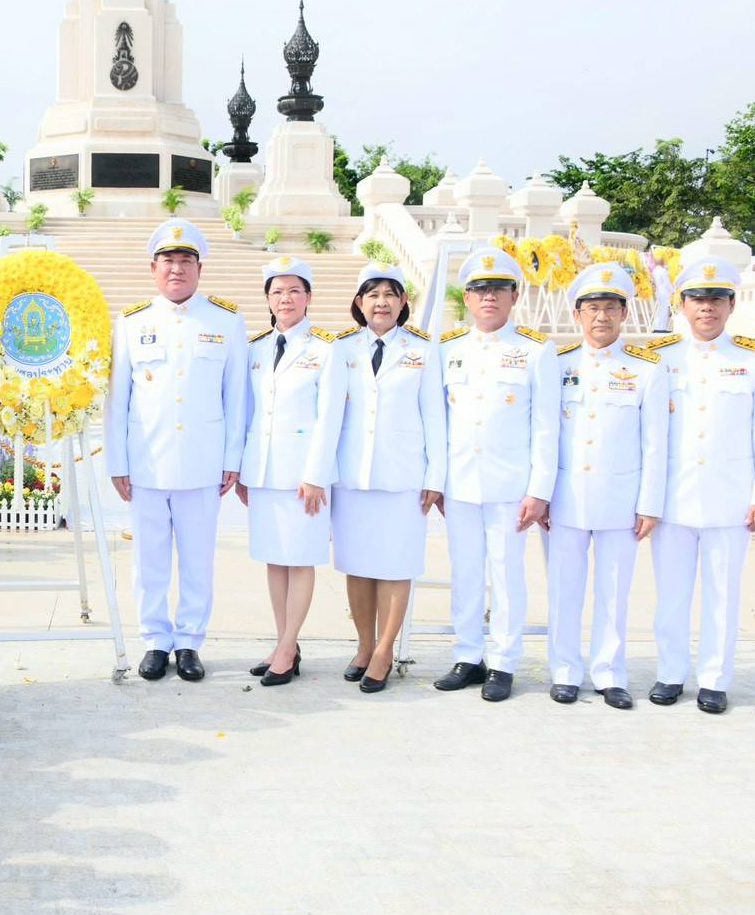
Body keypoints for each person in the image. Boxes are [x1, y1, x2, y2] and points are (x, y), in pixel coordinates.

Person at [105, 218, 248, 683]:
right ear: (153, 268)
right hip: (146, 462)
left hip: (203, 463)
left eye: (186, 261)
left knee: (197, 559)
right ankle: (154, 640)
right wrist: (117, 461)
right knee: (148, 560)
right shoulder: (132, 322)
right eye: (168, 260)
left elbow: (236, 397)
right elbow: (118, 399)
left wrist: (231, 460)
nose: (177, 269)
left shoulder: (225, 320)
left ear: (199, 269)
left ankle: (188, 641)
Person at [649, 257, 755, 714]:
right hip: (672, 496)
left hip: (731, 497)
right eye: (697, 299)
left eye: (716, 299)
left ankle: (714, 680)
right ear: (682, 305)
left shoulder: (754, 359)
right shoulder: (661, 357)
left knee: (723, 594)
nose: (706, 307)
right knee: (671, 593)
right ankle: (670, 673)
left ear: (731, 305)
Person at [433, 247, 559, 702]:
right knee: (465, 572)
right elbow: (438, 422)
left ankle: (504, 661)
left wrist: (539, 490)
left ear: (514, 296)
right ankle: (468, 655)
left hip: (511, 486)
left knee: (506, 575)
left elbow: (546, 427)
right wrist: (437, 481)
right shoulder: (448, 349)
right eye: (480, 289)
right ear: (467, 297)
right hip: (460, 482)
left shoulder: (535, 350)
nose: (489, 296)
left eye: (499, 289)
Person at [544, 264, 668, 708]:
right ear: (577, 314)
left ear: (624, 313)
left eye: (611, 308)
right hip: (566, 496)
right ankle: (564, 670)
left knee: (614, 591)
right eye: (593, 308)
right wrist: (541, 494)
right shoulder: (558, 365)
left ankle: (610, 672)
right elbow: (544, 433)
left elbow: (655, 443)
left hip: (621, 498)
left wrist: (649, 503)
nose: (602, 316)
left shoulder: (646, 369)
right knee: (564, 588)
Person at [332, 263, 445, 692]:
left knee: (396, 564)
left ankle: (385, 650)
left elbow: (435, 417)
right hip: (353, 475)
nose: (381, 302)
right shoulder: (341, 348)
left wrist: (436, 476)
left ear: (403, 303)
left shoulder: (424, 350)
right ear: (359, 303)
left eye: (390, 294)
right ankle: (364, 645)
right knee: (357, 564)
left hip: (404, 476)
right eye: (373, 294)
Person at [234, 256, 345, 686]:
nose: (286, 299)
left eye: (294, 291)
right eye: (277, 292)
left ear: (308, 297)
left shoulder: (325, 350)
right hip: (263, 473)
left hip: (303, 477)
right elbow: (249, 413)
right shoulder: (257, 349)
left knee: (299, 560)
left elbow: (330, 418)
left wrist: (316, 474)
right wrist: (245, 471)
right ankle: (284, 643)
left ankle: (288, 645)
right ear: (267, 299)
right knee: (275, 560)